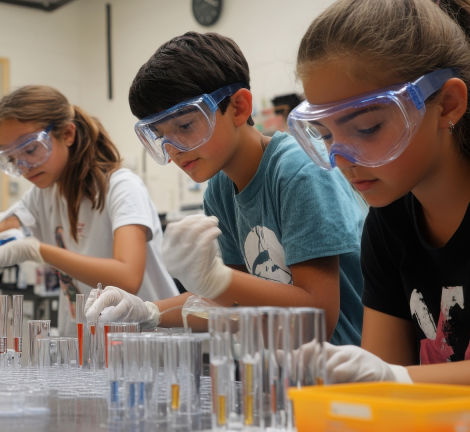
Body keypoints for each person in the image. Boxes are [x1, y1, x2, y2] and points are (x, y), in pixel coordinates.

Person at [287, 0, 470, 402]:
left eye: (367, 128)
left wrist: (404, 381)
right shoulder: (388, 222)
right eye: (325, 135)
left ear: (447, 105)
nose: (342, 159)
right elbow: (380, 388)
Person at [86, 32, 366, 346]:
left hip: (346, 367)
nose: (174, 149)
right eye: (161, 136)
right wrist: (148, 311)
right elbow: (230, 304)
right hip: (281, 364)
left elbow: (317, 320)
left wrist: (218, 280)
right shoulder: (220, 190)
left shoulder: (298, 171)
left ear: (239, 108)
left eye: (185, 126)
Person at [0, 85, 178, 334]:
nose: (25, 167)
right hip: (90, 346)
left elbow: (127, 278)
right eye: (12, 159)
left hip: (151, 344)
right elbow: (0, 227)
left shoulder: (121, 186)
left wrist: (37, 250)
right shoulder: (45, 193)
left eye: (30, 150)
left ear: (67, 134)